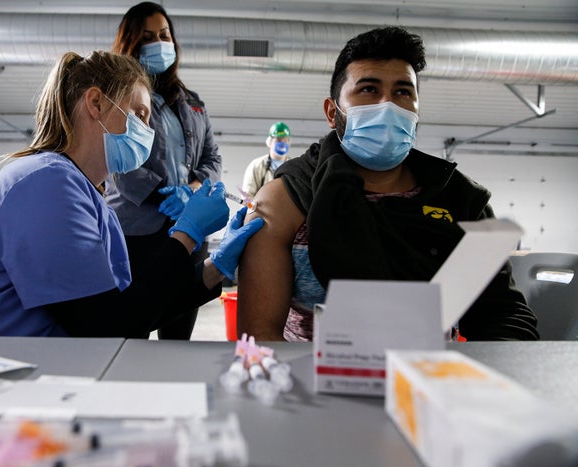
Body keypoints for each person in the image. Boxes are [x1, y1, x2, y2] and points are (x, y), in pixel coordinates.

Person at [0, 50, 263, 337]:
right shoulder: (44, 183)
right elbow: (106, 324)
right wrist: (187, 234)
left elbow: (133, 307)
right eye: (140, 115)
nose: (149, 132)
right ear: (96, 102)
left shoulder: (85, 194)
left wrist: (214, 268)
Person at [237, 26, 539, 342]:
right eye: (368, 89)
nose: (388, 105)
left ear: (417, 110)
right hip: (308, 384)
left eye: (403, 92)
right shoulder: (286, 199)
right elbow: (259, 337)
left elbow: (503, 316)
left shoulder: (462, 201)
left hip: (428, 382)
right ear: (332, 111)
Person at [106, 2, 222, 340]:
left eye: (164, 34)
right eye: (147, 37)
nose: (159, 42)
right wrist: (161, 196)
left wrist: (192, 190)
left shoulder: (192, 101)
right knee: (132, 328)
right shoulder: (120, 98)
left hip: (190, 227)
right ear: (131, 44)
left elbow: (213, 159)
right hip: (136, 233)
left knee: (178, 331)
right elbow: (119, 163)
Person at [241, 121, 292, 199]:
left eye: (285, 140)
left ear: (289, 142)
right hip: (261, 210)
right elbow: (247, 196)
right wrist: (249, 209)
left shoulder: (293, 168)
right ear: (270, 142)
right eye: (278, 140)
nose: (282, 143)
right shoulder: (257, 166)